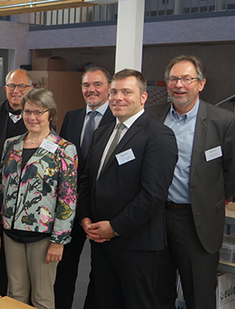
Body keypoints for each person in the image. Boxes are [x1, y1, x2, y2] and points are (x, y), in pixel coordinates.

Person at [78, 69, 178, 309]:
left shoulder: (159, 135)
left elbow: (153, 195)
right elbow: (87, 180)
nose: (117, 97)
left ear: (143, 97)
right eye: (113, 92)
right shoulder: (102, 133)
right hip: (100, 240)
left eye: (126, 92)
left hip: (137, 245)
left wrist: (114, 228)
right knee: (104, 301)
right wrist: (85, 216)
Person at [146, 55, 235, 309]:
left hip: (197, 223)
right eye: (173, 79)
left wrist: (212, 199)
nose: (179, 85)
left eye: (187, 78)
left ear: (201, 84)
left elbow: (232, 172)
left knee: (200, 295)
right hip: (157, 219)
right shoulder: (152, 117)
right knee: (158, 292)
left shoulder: (223, 121)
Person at [0, 88, 77, 308]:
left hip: (43, 237)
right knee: (15, 294)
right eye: (28, 112)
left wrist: (59, 240)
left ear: (50, 114)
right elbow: (0, 186)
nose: (32, 117)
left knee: (42, 298)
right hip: (10, 233)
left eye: (39, 112)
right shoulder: (11, 144)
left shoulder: (64, 149)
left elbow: (68, 199)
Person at [55, 66, 115, 309]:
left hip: (103, 209)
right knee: (65, 268)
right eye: (86, 85)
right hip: (71, 207)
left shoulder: (118, 118)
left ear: (109, 88)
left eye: (97, 84)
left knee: (100, 273)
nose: (91, 90)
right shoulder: (72, 117)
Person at [0, 68, 32, 295]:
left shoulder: (38, 117)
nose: (16, 91)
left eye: (22, 87)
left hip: (25, 201)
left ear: (31, 89)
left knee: (23, 270)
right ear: (5, 88)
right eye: (12, 86)